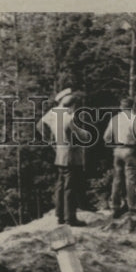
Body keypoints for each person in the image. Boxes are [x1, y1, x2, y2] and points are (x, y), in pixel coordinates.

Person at [39, 88, 90, 226]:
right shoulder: (68, 117)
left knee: (61, 185)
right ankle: (70, 218)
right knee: (70, 187)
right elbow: (82, 136)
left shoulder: (55, 114)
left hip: (60, 153)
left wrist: (50, 141)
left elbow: (40, 125)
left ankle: (60, 215)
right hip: (71, 155)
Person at [103, 96, 136, 217]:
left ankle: (115, 206)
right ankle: (132, 207)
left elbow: (106, 137)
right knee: (130, 179)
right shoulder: (134, 119)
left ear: (121, 107)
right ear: (132, 107)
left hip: (117, 150)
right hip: (129, 149)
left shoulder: (115, 119)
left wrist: (114, 146)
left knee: (117, 179)